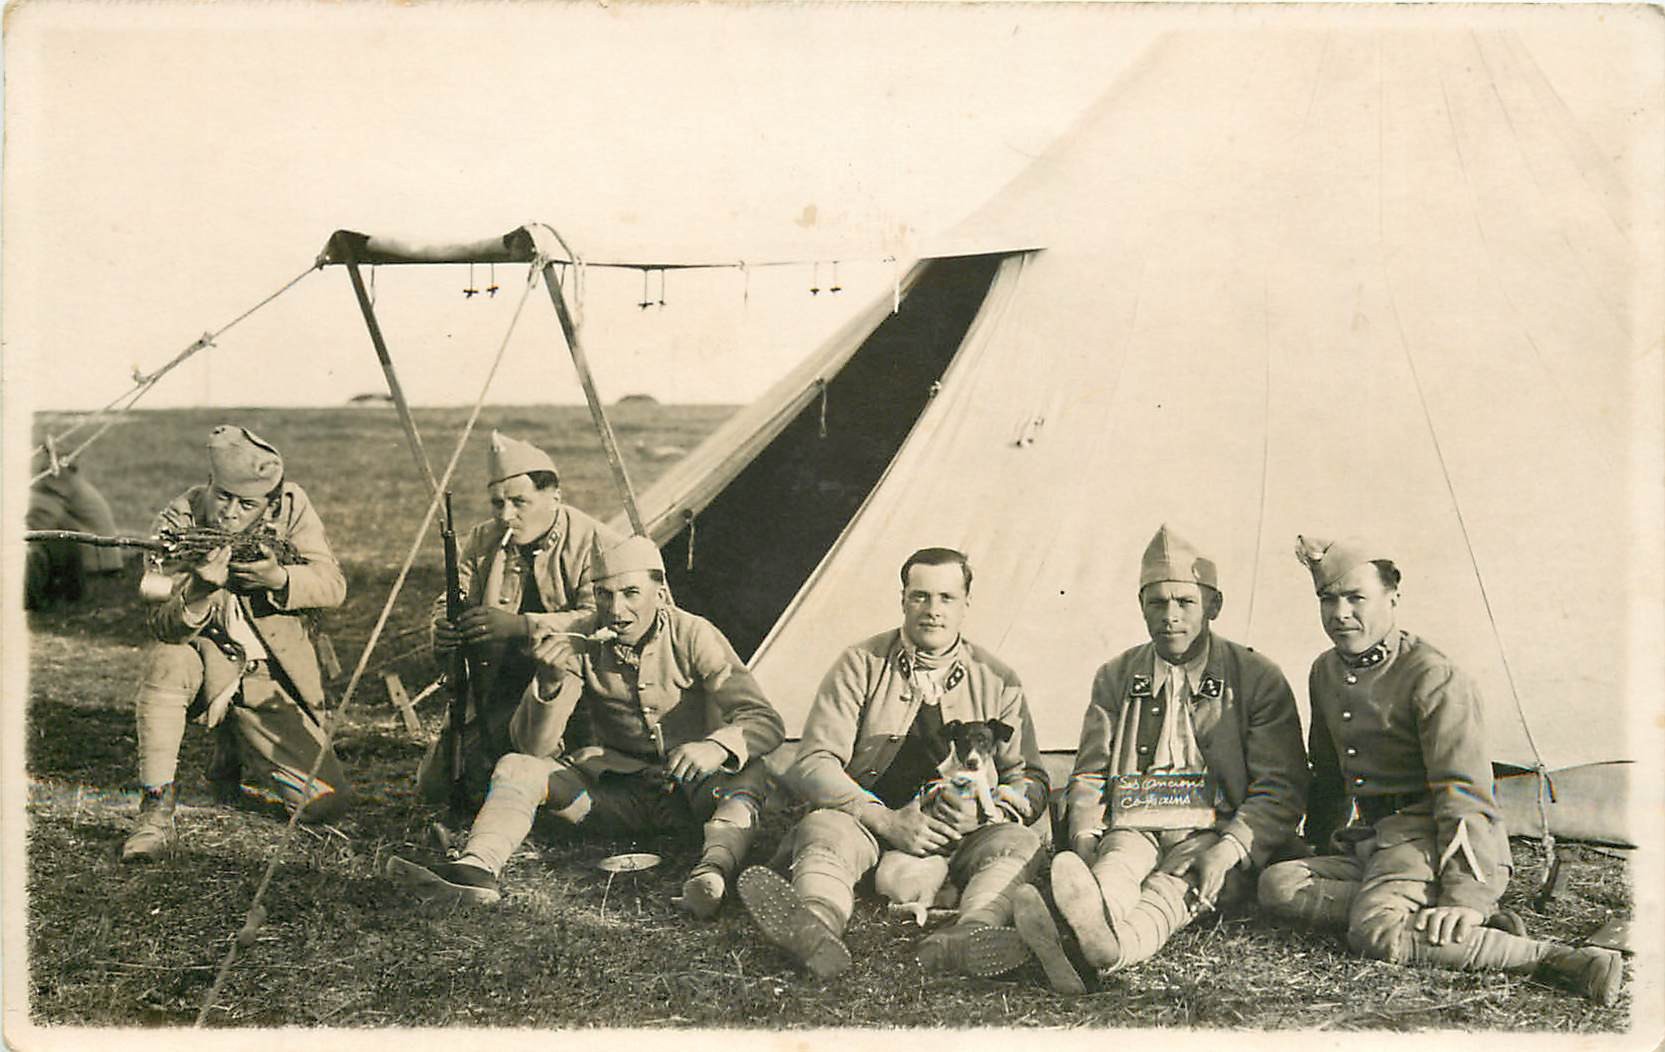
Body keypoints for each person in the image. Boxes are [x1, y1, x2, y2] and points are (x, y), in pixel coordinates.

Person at [1258, 536, 1624, 1004]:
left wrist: (1464, 898)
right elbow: (1329, 775)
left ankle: (1557, 958)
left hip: (1433, 833)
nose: (1340, 613)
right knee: (1279, 884)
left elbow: (1464, 792)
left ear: (1393, 596)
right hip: (1376, 839)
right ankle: (1413, 905)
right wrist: (1319, 838)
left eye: (1356, 598)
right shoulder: (1325, 671)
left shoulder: (1432, 675)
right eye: (1327, 599)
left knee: (1375, 933)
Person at [389, 534, 784, 918]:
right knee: (517, 767)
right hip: (617, 796)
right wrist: (548, 683)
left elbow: (763, 720)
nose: (615, 609)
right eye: (604, 594)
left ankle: (711, 872)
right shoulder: (580, 635)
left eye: (631, 594)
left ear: (660, 595)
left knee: (748, 771)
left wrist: (714, 748)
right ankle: (477, 867)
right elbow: (532, 747)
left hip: (693, 794)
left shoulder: (694, 635)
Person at [736, 547, 1054, 981]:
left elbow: (1031, 778)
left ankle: (971, 934)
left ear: (966, 604)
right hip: (868, 828)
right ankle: (816, 927)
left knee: (1018, 842)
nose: (932, 610)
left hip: (961, 837)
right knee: (822, 828)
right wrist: (883, 819)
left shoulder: (998, 678)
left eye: (946, 598)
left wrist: (983, 808)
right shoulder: (860, 664)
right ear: (902, 599)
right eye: (920, 596)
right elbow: (813, 760)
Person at [1015, 525, 1307, 988]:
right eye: (1157, 602)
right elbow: (1090, 769)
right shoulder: (1116, 676)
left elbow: (1281, 788)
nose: (1170, 616)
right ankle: (1089, 915)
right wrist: (1087, 834)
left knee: (1176, 888)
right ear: (1141, 607)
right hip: (1136, 822)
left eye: (1185, 603)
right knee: (1116, 867)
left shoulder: (1255, 678)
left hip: (1212, 830)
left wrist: (1229, 849)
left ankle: (1107, 949)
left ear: (1213, 606)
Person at [121, 425, 349, 861]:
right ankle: (154, 809)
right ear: (209, 483)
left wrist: (278, 579)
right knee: (167, 660)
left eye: (246, 504)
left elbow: (333, 585)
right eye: (222, 496)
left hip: (268, 676)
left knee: (326, 803)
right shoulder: (177, 521)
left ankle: (234, 749)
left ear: (269, 503)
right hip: (204, 663)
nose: (228, 512)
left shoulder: (291, 509)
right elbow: (161, 623)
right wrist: (199, 592)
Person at [417, 430, 622, 806]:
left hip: (575, 694)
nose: (505, 515)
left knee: (533, 774)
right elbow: (452, 596)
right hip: (500, 688)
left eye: (519, 502)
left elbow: (606, 621)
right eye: (497, 504)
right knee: (435, 786)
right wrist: (443, 627)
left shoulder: (597, 543)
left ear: (554, 496)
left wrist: (523, 626)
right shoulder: (483, 540)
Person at [24, 454, 126, 609]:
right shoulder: (76, 484)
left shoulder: (63, 485)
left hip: (96, 560)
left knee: (38, 546)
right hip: (106, 556)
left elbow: (44, 513)